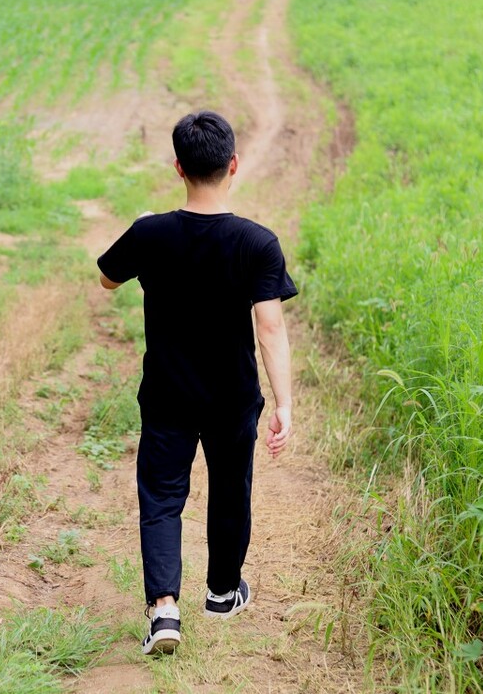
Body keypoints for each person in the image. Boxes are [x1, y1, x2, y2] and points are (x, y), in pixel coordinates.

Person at [97, 110, 297, 656]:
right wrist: (284, 403)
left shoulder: (150, 233)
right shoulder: (257, 243)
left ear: (178, 166)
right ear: (233, 165)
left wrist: (144, 230)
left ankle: (164, 611)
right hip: (232, 395)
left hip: (167, 393)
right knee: (231, 489)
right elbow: (270, 325)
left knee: (162, 497)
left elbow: (107, 278)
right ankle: (222, 590)